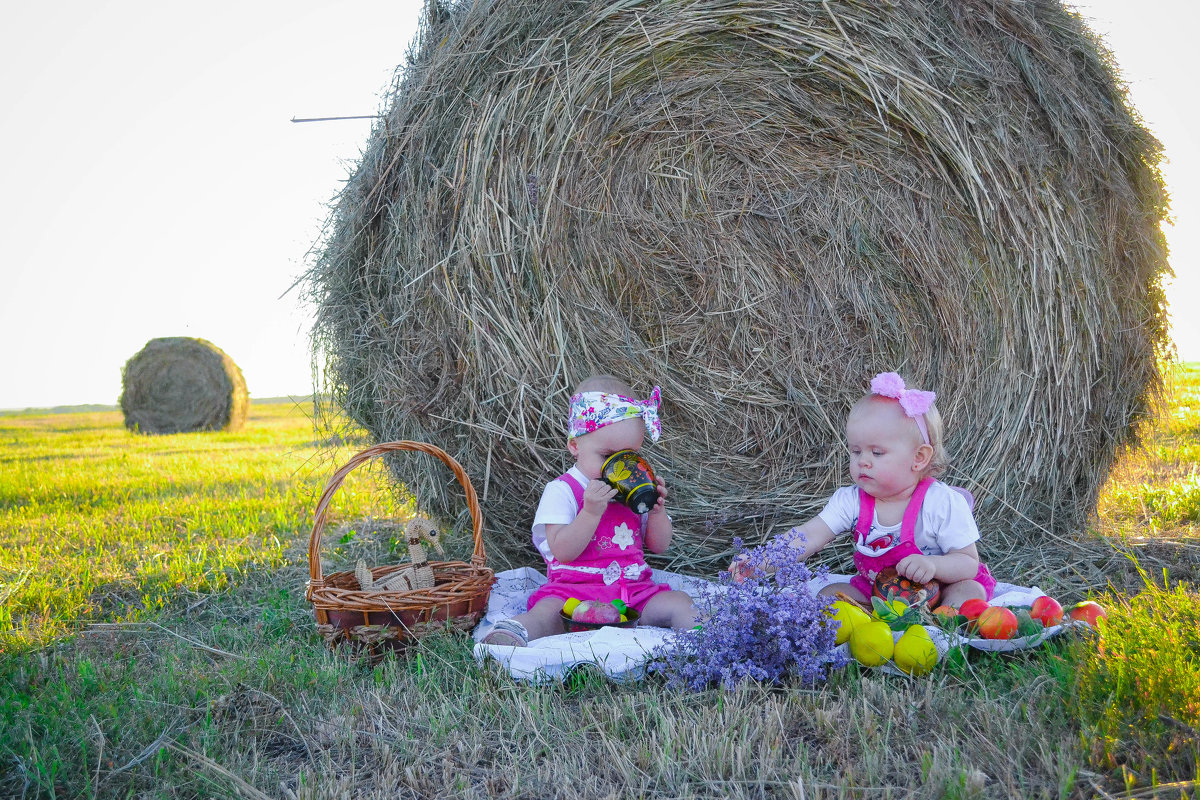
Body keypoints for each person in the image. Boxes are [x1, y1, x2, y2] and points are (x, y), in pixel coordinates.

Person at [731, 371, 995, 609]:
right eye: (855, 451)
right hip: (877, 592)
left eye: (877, 452)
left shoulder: (940, 502)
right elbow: (808, 535)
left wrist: (933, 565)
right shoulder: (851, 501)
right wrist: (761, 560)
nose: (862, 461)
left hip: (941, 588)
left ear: (919, 458)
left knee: (969, 592)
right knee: (829, 595)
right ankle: (874, 621)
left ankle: (940, 626)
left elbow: (967, 562)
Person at [482, 375, 697, 646]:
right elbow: (562, 550)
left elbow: (659, 546)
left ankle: (704, 642)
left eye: (630, 456)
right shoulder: (563, 490)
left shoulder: (631, 489)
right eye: (608, 457)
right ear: (575, 445)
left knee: (679, 602)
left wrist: (656, 512)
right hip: (572, 594)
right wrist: (591, 512)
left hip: (631, 592)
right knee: (546, 614)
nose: (621, 469)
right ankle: (512, 634)